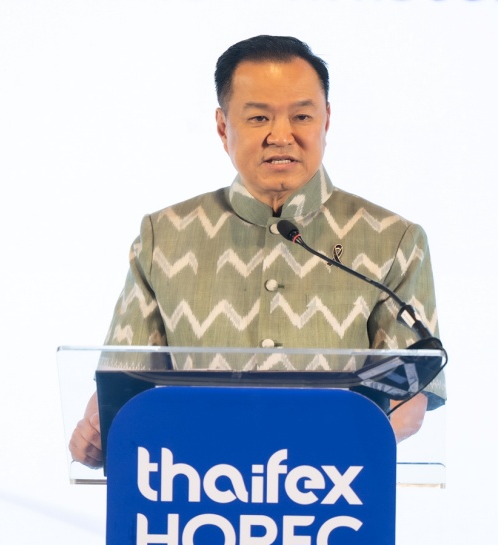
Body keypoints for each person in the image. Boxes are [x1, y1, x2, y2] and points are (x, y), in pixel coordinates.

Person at [69, 35, 443, 468]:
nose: (280, 136)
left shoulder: (393, 239)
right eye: (259, 117)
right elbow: (122, 386)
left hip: (330, 491)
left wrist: (296, 463)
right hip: (194, 488)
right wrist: (98, 433)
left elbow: (406, 404)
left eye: (301, 116)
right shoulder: (164, 237)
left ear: (326, 120)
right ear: (223, 126)